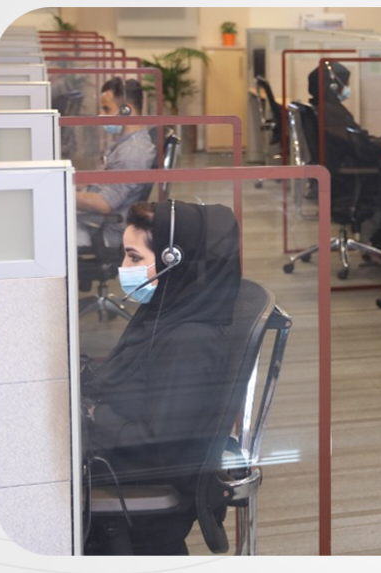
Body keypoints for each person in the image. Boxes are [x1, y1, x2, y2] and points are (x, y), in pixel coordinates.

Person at [81, 200, 242, 555]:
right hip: (121, 464)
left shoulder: (190, 343)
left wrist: (95, 415)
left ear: (173, 261)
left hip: (139, 488)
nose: (123, 268)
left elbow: (161, 448)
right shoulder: (163, 313)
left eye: (134, 257)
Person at [307, 60, 381, 256]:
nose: (347, 88)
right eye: (345, 83)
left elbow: (356, 140)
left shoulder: (323, 108)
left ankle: (379, 246)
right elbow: (361, 148)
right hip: (347, 177)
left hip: (338, 171)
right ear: (333, 86)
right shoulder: (331, 112)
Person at [76, 77, 157, 249]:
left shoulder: (133, 151)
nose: (101, 114)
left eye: (106, 109)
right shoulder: (123, 144)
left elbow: (104, 203)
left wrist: (61, 194)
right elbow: (101, 180)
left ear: (126, 110)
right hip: (93, 221)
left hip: (102, 230)